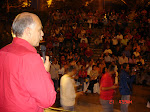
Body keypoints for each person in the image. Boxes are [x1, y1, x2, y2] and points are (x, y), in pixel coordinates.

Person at [0, 12, 56, 112]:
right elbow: (47, 100)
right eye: (39, 29)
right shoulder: (30, 58)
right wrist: (45, 72)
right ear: (28, 31)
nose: (42, 34)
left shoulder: (2, 52)